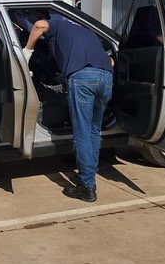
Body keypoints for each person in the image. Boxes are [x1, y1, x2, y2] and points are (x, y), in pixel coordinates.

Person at [22, 11, 113, 203]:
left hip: (83, 79)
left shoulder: (56, 25)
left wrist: (27, 51)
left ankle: (87, 186)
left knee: (81, 132)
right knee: (93, 131)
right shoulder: (86, 32)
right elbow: (111, 60)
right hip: (105, 78)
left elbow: (39, 26)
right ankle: (88, 176)